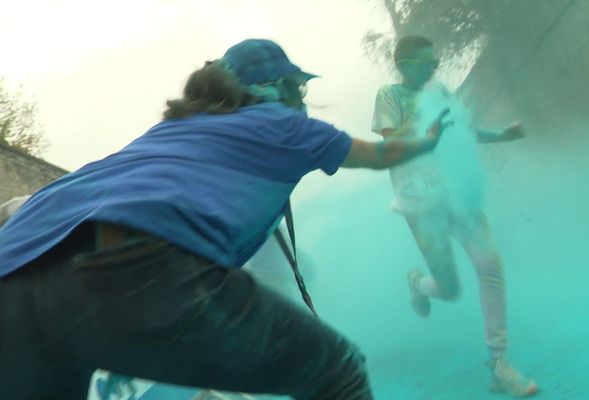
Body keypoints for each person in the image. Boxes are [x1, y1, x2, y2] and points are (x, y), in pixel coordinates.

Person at [0, 38, 445, 400]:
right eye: (299, 90)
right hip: (130, 271)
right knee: (337, 371)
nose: (303, 100)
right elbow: (383, 154)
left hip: (12, 274)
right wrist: (428, 137)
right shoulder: (282, 123)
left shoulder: (170, 130)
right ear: (277, 88)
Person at [371, 35, 538, 397]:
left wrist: (503, 136)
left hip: (457, 197)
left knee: (490, 266)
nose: (434, 68)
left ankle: (499, 365)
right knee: (449, 289)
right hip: (419, 204)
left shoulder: (440, 91)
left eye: (435, 62)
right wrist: (422, 115)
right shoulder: (390, 96)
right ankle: (418, 284)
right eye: (426, 63)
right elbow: (388, 143)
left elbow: (462, 132)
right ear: (403, 65)